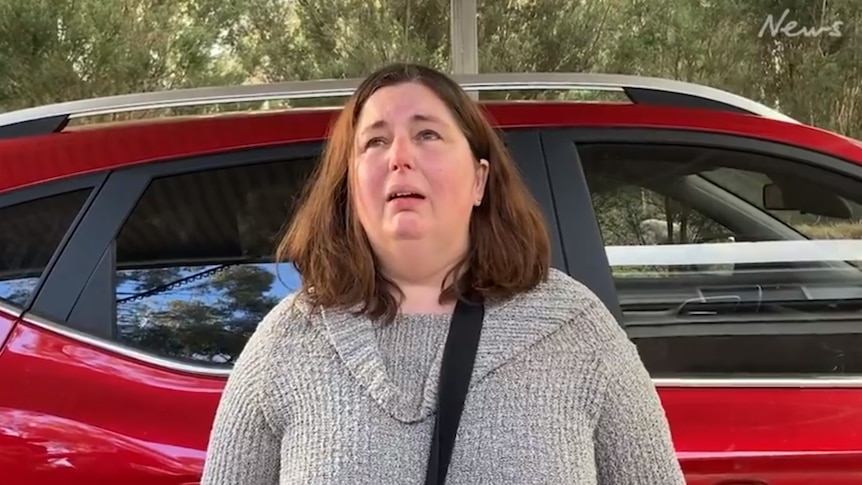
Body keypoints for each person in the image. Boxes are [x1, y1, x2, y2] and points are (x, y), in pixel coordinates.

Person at [200, 62, 686, 485]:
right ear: (350, 185)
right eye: (375, 141)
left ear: (479, 179)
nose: (399, 157)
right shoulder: (288, 342)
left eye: (427, 134)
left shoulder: (576, 329)